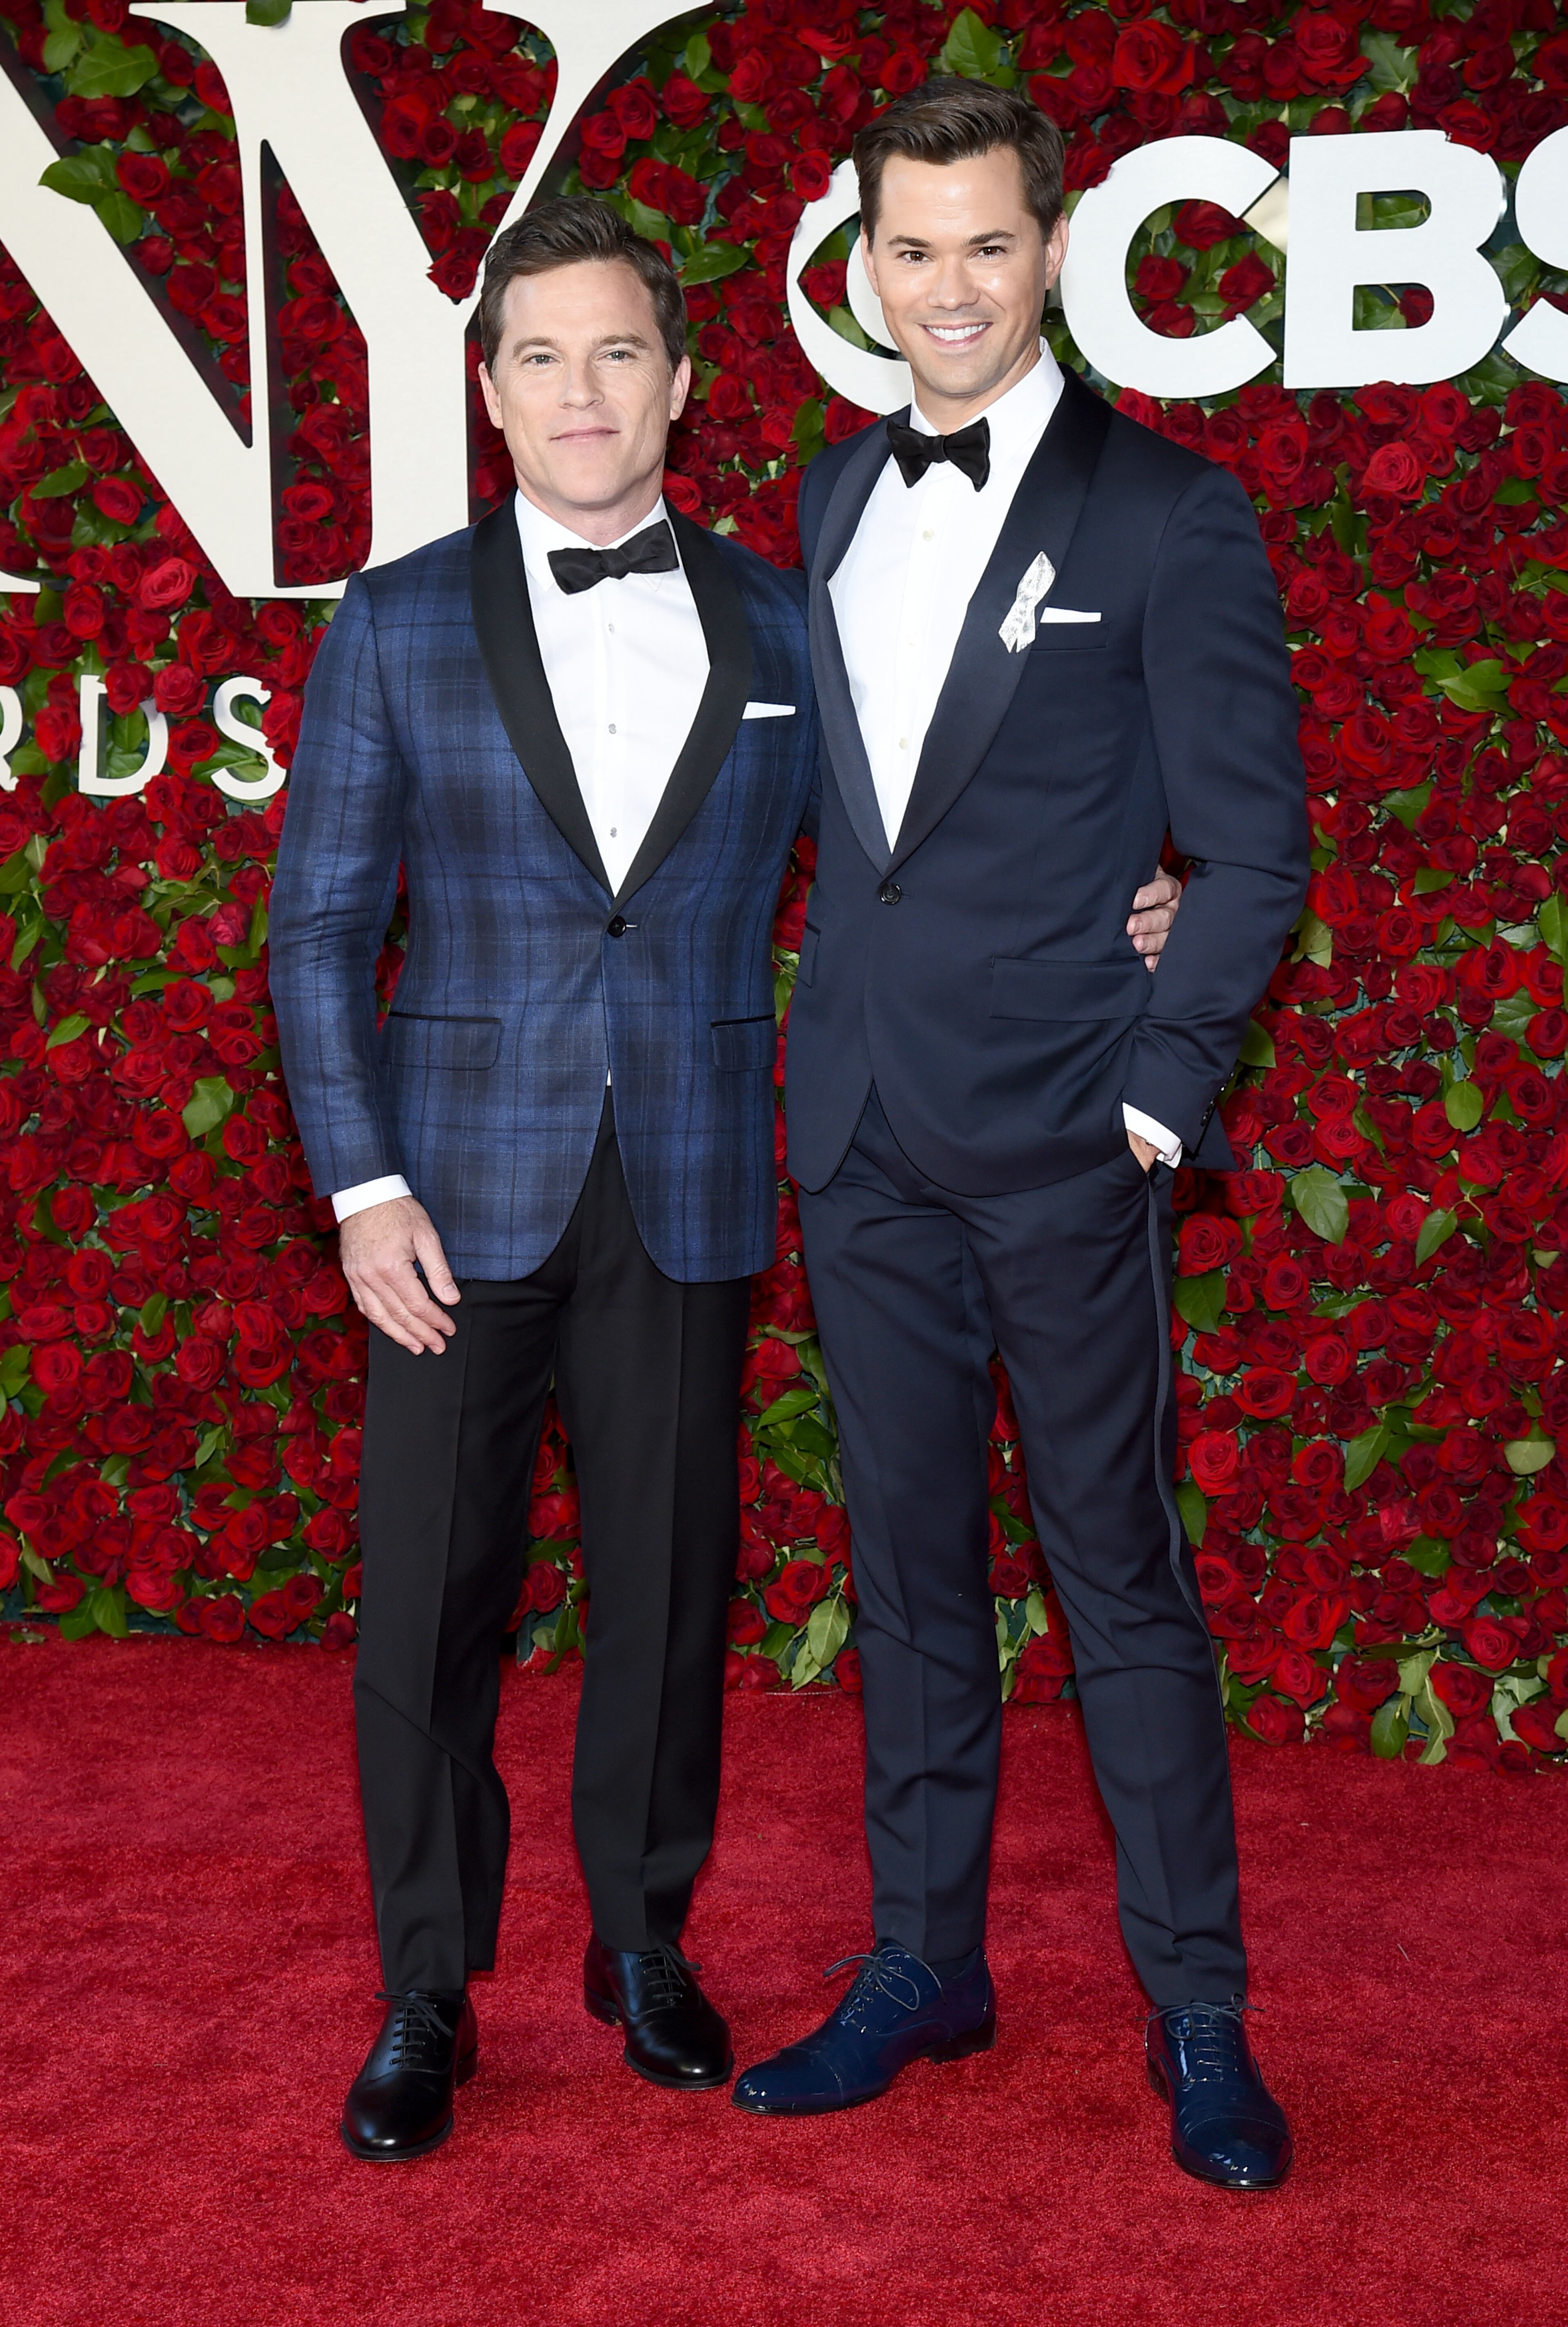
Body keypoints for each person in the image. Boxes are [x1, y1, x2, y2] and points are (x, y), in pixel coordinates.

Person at [269, 195, 1183, 2164]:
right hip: (448, 1192)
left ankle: (644, 1946)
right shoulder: (397, 618)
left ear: (681, 383)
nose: (580, 391)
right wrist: (361, 1187)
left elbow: (942, 817)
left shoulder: (793, 614)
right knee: (430, 1602)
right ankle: (426, 1988)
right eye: (539, 356)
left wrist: (1145, 885)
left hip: (689, 1170)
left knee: (670, 1598)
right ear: (490, 393)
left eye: (618, 352)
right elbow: (318, 928)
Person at [733, 83, 1308, 2194]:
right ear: (863, 265)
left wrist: (1161, 1091)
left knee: (1120, 1578)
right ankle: (924, 1964)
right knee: (905, 1578)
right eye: (912, 247)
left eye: (987, 244)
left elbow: (1250, 848)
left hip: (1075, 1138)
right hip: (863, 1129)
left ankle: (1203, 2012)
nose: (948, 287)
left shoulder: (1171, 514)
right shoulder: (818, 500)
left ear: (1057, 249)